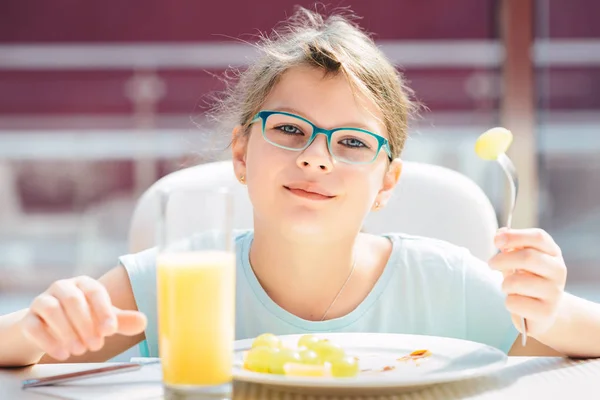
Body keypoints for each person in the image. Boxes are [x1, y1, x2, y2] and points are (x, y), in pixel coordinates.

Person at [1, 7, 599, 367]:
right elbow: (16, 349)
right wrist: (35, 330)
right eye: (289, 130)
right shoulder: (172, 282)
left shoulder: (446, 282)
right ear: (241, 152)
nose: (316, 159)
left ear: (387, 181)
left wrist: (549, 312)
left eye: (353, 142)